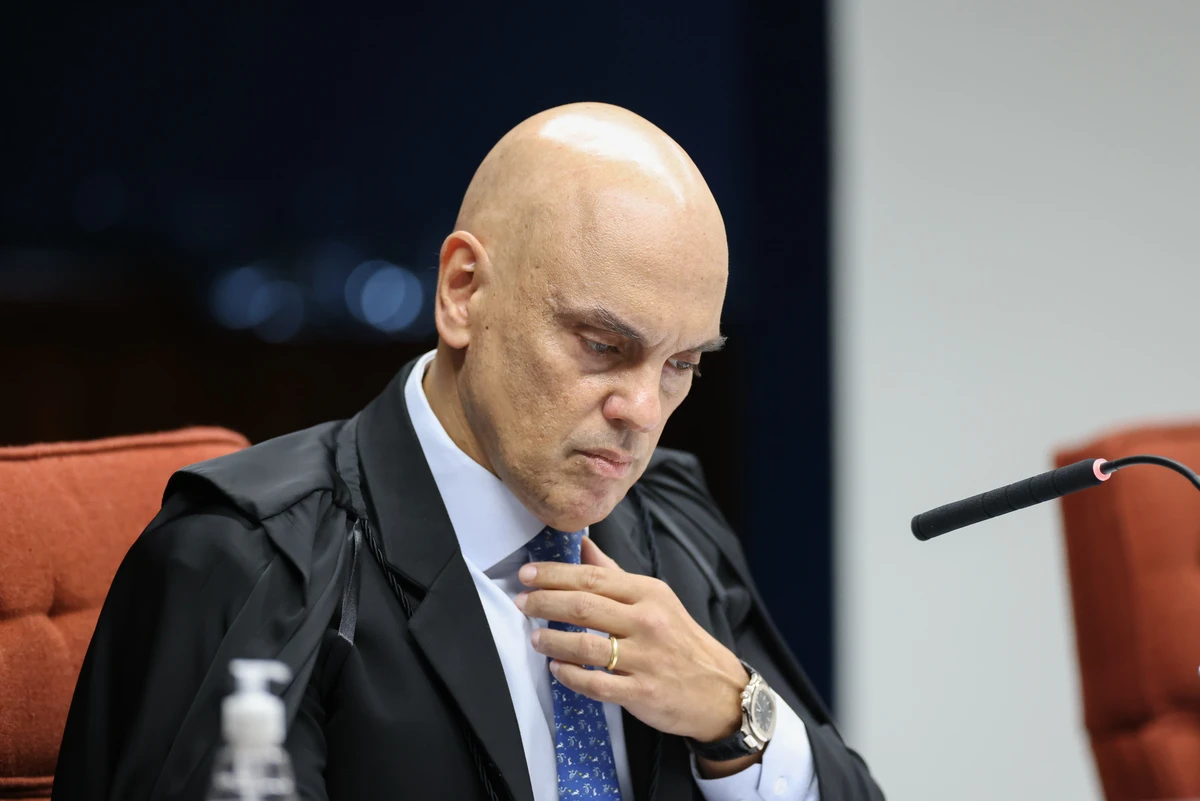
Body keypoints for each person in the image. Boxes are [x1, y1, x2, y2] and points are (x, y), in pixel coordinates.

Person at [53, 102, 883, 801]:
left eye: (681, 365)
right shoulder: (254, 559)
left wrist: (733, 717)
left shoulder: (672, 524)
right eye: (602, 345)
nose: (641, 410)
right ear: (462, 292)